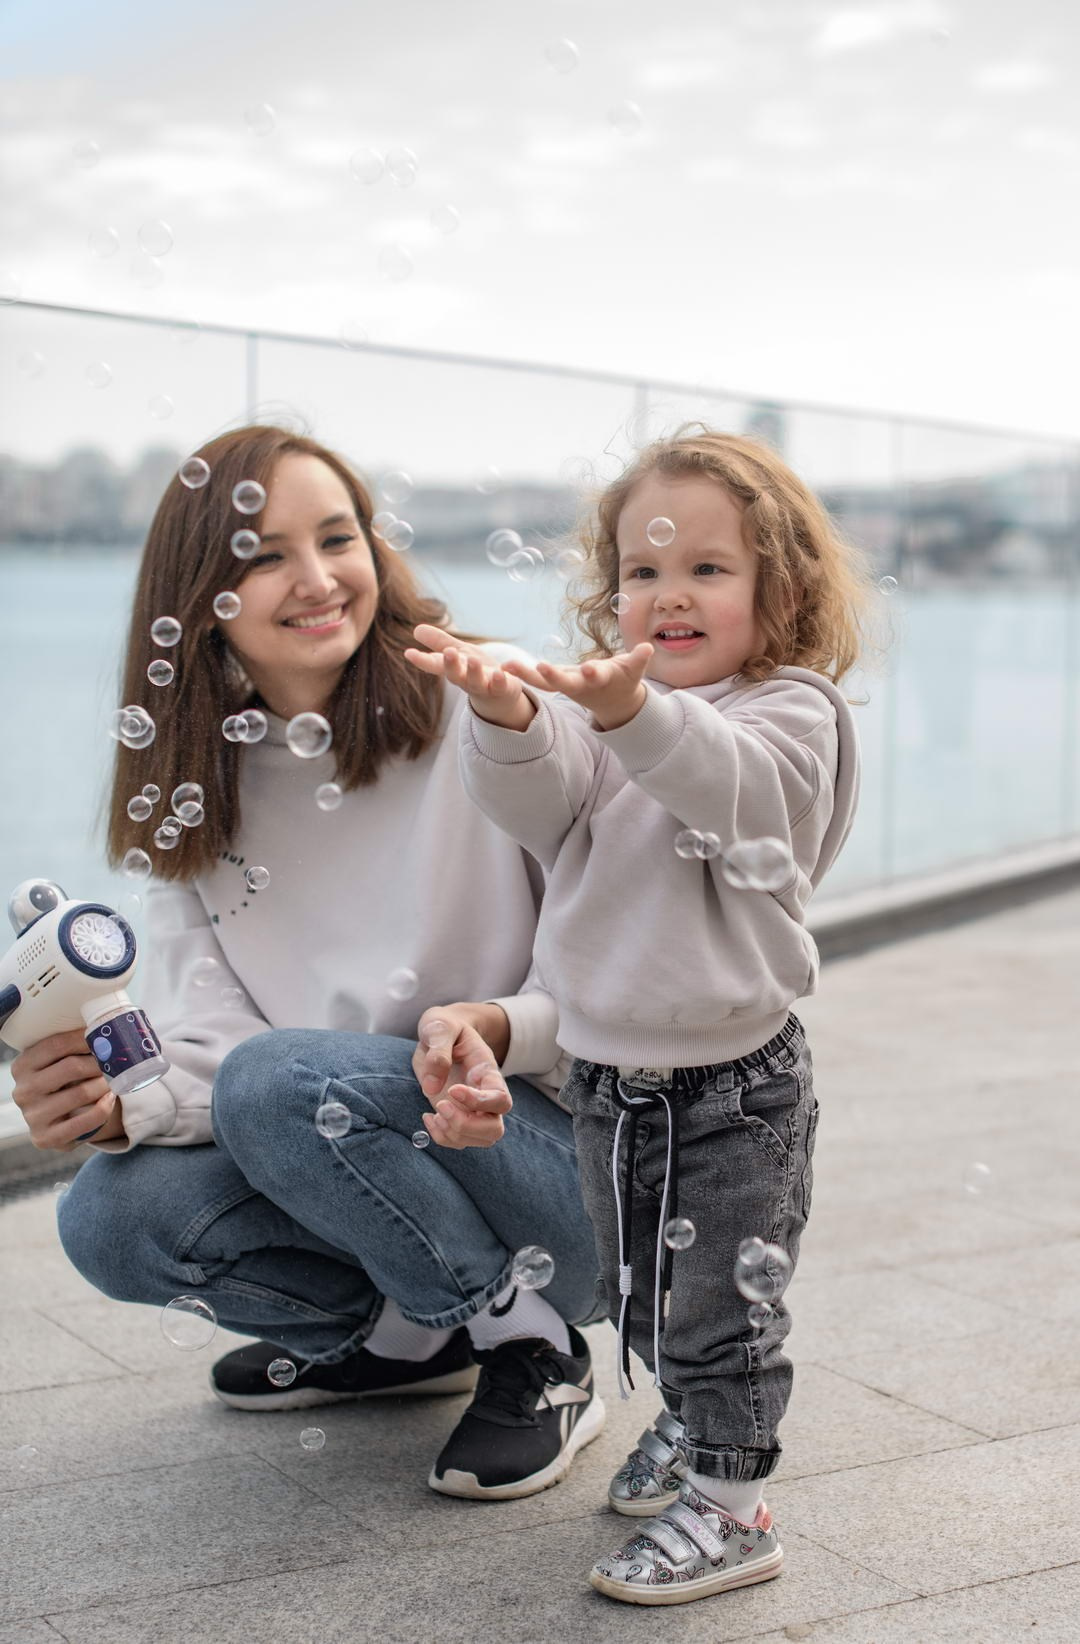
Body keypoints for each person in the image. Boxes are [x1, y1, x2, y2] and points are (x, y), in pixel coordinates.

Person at [11, 424, 605, 1503]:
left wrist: (500, 1029)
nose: (320, 578)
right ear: (202, 595)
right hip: (358, 1134)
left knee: (284, 1084)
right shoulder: (204, 787)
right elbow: (214, 1048)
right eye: (265, 553)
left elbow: (620, 977)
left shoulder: (500, 712)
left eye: (339, 538)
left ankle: (536, 1345)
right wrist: (115, 1103)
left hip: (562, 1165)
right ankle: (418, 1337)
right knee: (107, 1217)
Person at [404, 427, 873, 1604]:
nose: (670, 595)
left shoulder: (791, 713)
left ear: (784, 588)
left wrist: (627, 713)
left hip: (735, 1084)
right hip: (611, 1078)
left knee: (721, 1311)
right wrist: (508, 719)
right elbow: (537, 799)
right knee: (643, 1296)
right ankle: (691, 1427)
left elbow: (734, 792)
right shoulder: (615, 715)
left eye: (709, 568)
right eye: (643, 570)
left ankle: (734, 1504)